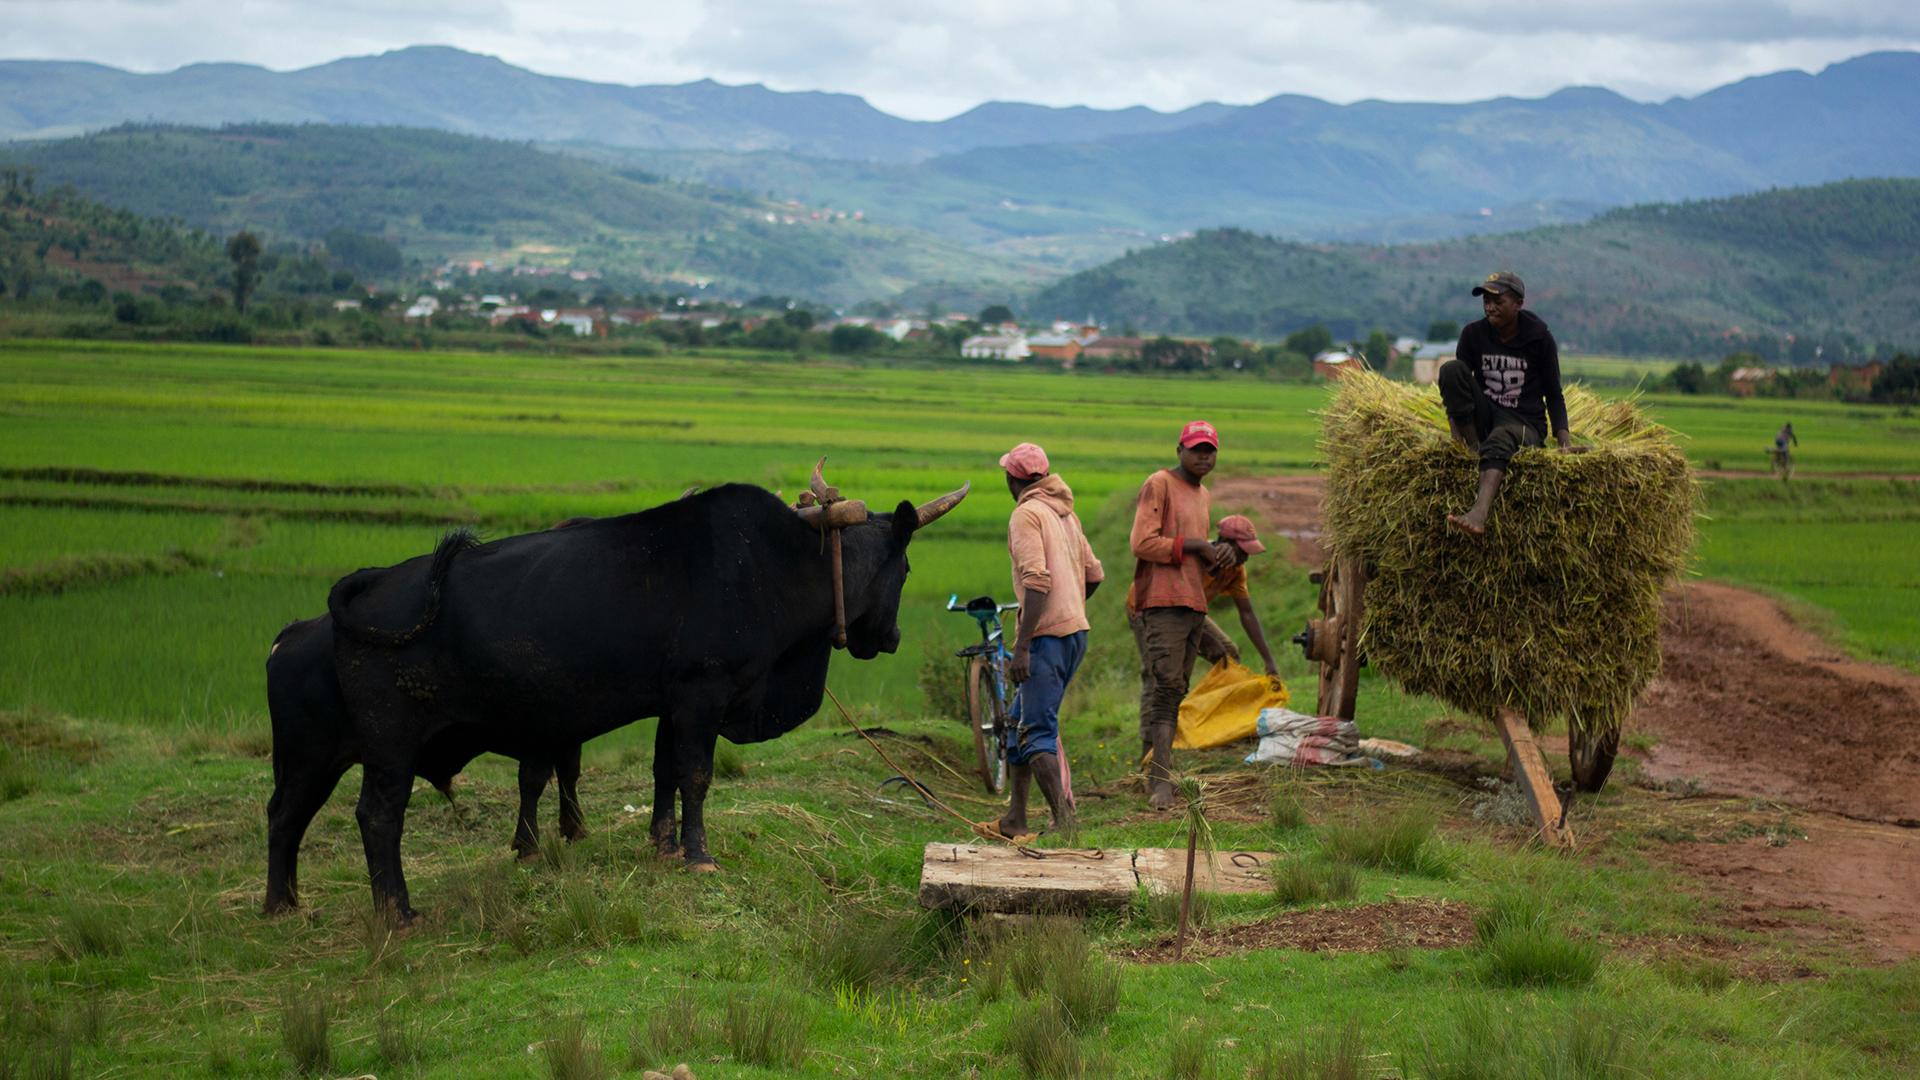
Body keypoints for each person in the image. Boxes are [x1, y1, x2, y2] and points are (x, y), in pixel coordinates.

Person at [979, 441, 1103, 842]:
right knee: (1017, 723)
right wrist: (1070, 609)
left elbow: (1035, 582)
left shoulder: (1026, 515)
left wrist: (1025, 645)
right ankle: (1016, 818)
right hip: (1074, 634)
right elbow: (1094, 575)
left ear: (1012, 479)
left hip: (1047, 640)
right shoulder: (1065, 513)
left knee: (1036, 733)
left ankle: (1066, 827)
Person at [1128, 421, 1237, 810]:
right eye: (1196, 449)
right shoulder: (1159, 484)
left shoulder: (1203, 494)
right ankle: (1159, 783)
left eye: (1210, 450)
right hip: (1161, 601)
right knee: (1164, 689)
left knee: (1174, 690)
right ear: (1179, 450)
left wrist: (1217, 555)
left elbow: (1195, 559)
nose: (1203, 456)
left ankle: (1158, 773)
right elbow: (1142, 543)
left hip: (1191, 601)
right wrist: (1197, 545)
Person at [1438, 270, 1578, 535]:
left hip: (1525, 423)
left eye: (1497, 301)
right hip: (1487, 415)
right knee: (1450, 370)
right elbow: (1457, 393)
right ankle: (1475, 448)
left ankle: (1479, 513)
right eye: (1486, 301)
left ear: (1518, 304)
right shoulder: (1473, 334)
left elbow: (1554, 393)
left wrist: (1564, 441)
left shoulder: (1539, 338)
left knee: (1502, 437)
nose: (1490, 307)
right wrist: (1456, 439)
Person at [1196, 514, 1281, 676]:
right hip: (1162, 609)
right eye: (1243, 551)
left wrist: (1269, 661)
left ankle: (1225, 698)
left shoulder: (1235, 570)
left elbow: (1247, 613)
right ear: (1226, 545)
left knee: (1229, 654)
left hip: (1193, 614)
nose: (1246, 558)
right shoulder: (1197, 556)